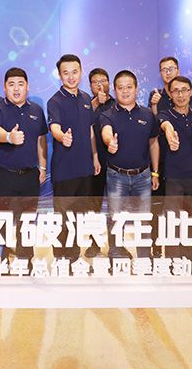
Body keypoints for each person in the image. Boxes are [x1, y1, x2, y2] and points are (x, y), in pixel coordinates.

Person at [0, 68, 48, 260]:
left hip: (30, 175)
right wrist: (8, 137)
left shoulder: (36, 110)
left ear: (27, 87)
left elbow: (41, 140)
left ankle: (25, 258)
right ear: (5, 88)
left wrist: (42, 167)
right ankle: (2, 258)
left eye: (20, 84)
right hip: (4, 174)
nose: (16, 89)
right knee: (2, 220)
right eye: (11, 84)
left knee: (27, 220)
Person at [100, 70, 160, 259]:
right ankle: (116, 255)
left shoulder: (148, 114)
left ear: (136, 89)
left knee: (144, 219)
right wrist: (110, 142)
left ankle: (144, 258)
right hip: (116, 176)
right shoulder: (107, 115)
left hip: (143, 176)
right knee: (115, 218)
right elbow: (106, 132)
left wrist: (155, 172)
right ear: (114, 90)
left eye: (129, 87)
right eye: (120, 88)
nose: (125, 91)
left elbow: (153, 142)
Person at [46, 54, 101, 262]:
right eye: (66, 73)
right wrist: (62, 137)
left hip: (85, 168)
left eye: (74, 72)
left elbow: (90, 130)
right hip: (65, 169)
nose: (71, 77)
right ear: (60, 75)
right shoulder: (55, 101)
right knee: (63, 216)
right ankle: (60, 256)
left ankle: (74, 255)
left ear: (81, 72)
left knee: (79, 215)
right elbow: (54, 127)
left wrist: (95, 156)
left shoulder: (86, 98)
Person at [148, 57, 192, 256]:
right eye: (164, 69)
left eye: (172, 68)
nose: (168, 72)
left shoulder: (190, 99)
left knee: (187, 215)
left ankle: (186, 256)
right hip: (161, 160)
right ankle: (157, 248)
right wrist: (154, 108)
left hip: (186, 164)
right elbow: (155, 125)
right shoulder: (156, 96)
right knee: (161, 210)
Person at [158, 76, 192, 259]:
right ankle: (171, 261)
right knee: (173, 221)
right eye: (176, 91)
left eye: (184, 90)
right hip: (174, 178)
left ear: (191, 92)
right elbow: (165, 125)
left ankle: (188, 260)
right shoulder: (165, 114)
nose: (180, 95)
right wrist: (170, 134)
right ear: (170, 94)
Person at [87, 67, 114, 257]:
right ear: (90, 86)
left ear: (109, 83)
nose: (100, 84)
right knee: (93, 206)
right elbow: (82, 127)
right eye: (95, 82)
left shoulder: (118, 103)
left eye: (103, 80)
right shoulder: (86, 105)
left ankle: (116, 246)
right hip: (93, 163)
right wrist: (96, 103)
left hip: (115, 162)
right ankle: (94, 243)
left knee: (115, 207)